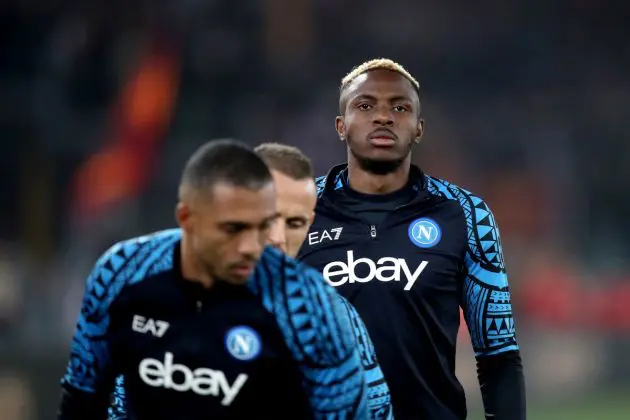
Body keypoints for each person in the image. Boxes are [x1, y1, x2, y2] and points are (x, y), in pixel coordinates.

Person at [59, 139, 370, 419]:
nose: (266, 241)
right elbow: (85, 398)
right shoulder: (125, 272)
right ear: (188, 219)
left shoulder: (318, 311)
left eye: (288, 223)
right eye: (235, 228)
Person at [297, 59, 526, 420]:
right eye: (365, 105)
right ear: (341, 126)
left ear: (418, 129)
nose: (384, 116)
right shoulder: (295, 212)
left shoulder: (466, 214)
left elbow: (498, 353)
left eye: (400, 107)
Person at [255, 142, 393, 420]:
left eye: (294, 223)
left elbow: (376, 413)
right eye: (268, 218)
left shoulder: (334, 316)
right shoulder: (161, 292)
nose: (278, 238)